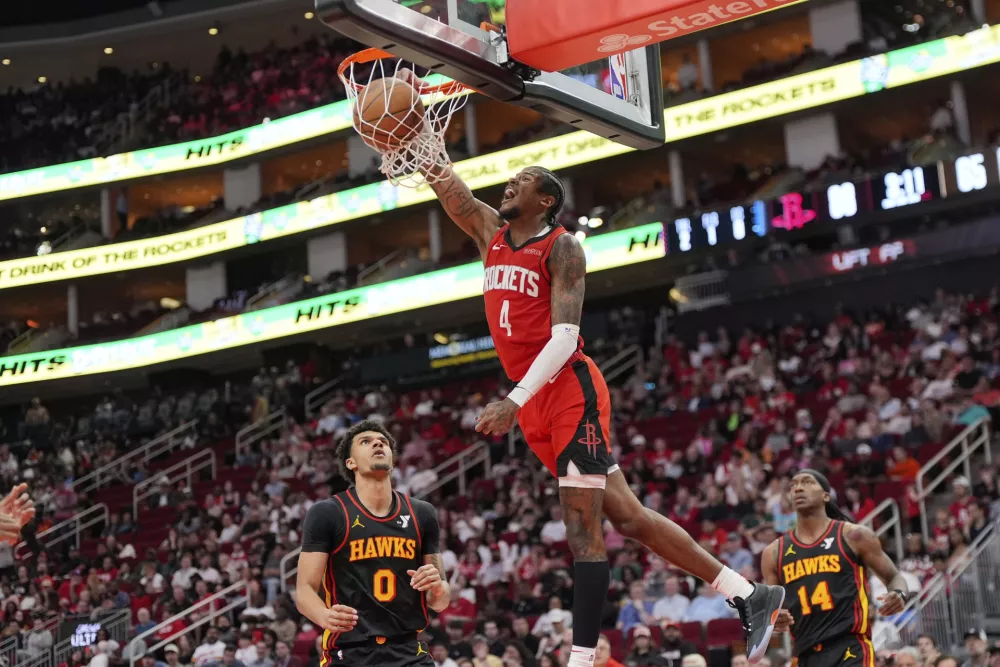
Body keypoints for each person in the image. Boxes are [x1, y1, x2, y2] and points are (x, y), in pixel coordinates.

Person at [414, 99, 783, 666]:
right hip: (534, 397)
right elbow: (450, 189)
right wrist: (416, 132)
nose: (511, 184)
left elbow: (564, 337)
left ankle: (581, 661)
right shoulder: (490, 232)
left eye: (525, 181)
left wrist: (513, 400)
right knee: (630, 519)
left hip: (567, 388)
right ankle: (748, 593)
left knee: (581, 527)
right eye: (511, 180)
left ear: (546, 201)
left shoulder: (562, 246)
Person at [296, 420, 450, 667]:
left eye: (384, 442)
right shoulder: (328, 513)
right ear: (351, 462)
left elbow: (439, 602)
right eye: (365, 441)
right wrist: (324, 615)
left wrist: (439, 587)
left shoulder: (423, 513)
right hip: (350, 652)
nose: (378, 443)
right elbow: (304, 590)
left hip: (409, 651)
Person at [762, 470, 911, 667]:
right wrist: (774, 617)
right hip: (805, 653)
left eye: (807, 482)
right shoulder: (773, 552)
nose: (798, 488)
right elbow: (772, 608)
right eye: (793, 485)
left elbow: (893, 576)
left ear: (826, 495)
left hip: (850, 647)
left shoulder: (854, 536)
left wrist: (899, 594)